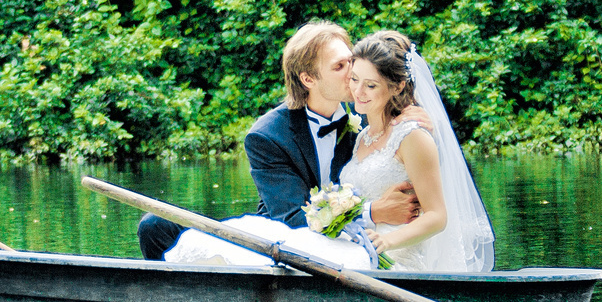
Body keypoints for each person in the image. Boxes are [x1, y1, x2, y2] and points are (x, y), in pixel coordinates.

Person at [137, 19, 422, 262]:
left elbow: (410, 136)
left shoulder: (369, 114)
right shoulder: (267, 135)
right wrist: (372, 212)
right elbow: (291, 217)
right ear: (308, 79)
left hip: (360, 243)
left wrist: (419, 122)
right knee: (155, 225)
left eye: (351, 61)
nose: (353, 73)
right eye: (339, 66)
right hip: (285, 240)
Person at [340, 29, 495, 274]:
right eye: (354, 79)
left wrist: (386, 242)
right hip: (359, 252)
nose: (358, 91)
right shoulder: (362, 137)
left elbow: (437, 216)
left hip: (398, 260)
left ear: (397, 87)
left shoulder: (412, 135)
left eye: (370, 85)